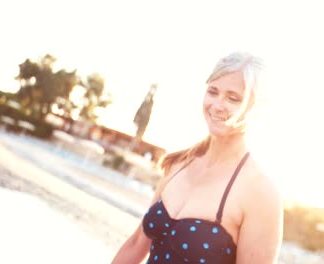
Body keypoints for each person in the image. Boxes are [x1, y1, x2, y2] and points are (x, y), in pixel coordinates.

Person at [111, 52, 283, 264]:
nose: (218, 105)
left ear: (256, 108)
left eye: (233, 98)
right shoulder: (178, 164)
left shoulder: (260, 192)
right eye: (213, 92)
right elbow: (136, 244)